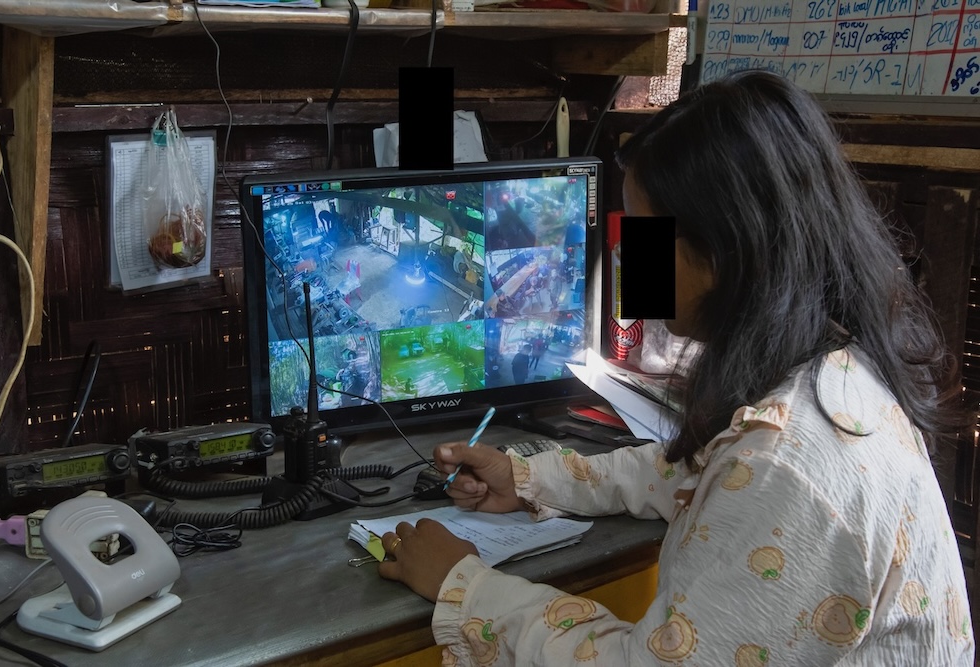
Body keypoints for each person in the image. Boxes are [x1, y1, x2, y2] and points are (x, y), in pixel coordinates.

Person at [375, 71, 975, 665]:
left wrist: (463, 586)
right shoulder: (835, 371)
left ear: (722, 248)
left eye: (642, 231)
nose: (626, 255)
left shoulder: (788, 465)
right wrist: (528, 479)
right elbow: (697, 472)